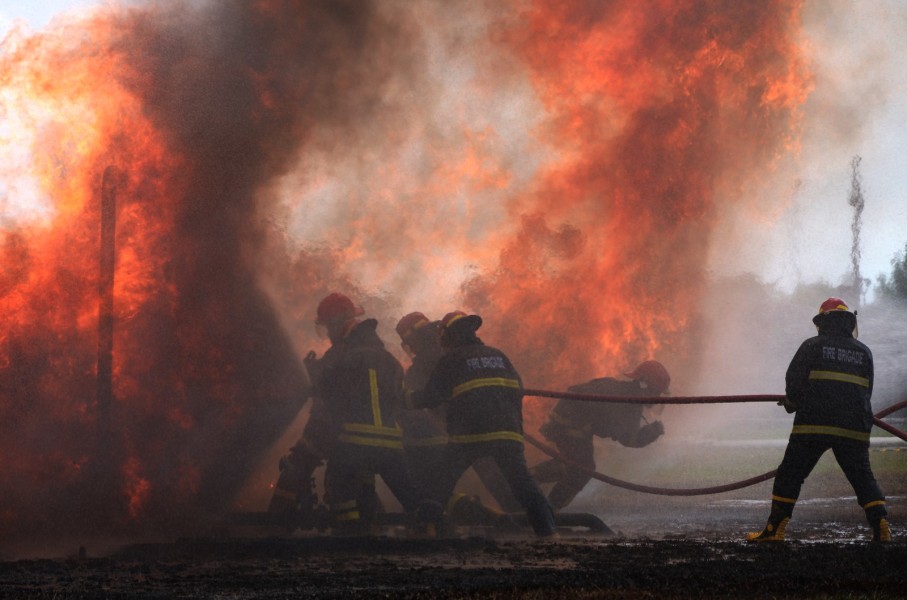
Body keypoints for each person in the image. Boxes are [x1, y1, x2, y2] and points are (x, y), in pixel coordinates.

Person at [747, 297, 890, 543]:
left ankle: (774, 530)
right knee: (862, 477)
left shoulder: (812, 346)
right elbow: (867, 392)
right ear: (848, 322)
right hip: (854, 428)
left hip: (814, 424)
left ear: (822, 322)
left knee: (790, 474)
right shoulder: (864, 352)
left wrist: (792, 402)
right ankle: (881, 527)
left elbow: (794, 380)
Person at [412, 311, 557, 538]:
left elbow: (430, 398)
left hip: (469, 437)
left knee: (439, 483)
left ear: (449, 337)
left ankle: (427, 531)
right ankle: (549, 534)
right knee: (523, 485)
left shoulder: (451, 360)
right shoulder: (498, 356)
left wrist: (405, 398)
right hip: (507, 434)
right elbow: (517, 390)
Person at [395, 312, 517, 528]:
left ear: (413, 340)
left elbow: (423, 402)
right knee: (500, 480)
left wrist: (401, 400)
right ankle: (523, 519)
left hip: (460, 433)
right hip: (489, 424)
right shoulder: (452, 350)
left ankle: (503, 518)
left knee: (435, 487)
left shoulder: (424, 366)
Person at [532, 360, 670, 510]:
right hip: (572, 424)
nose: (656, 397)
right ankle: (541, 502)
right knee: (581, 469)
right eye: (655, 392)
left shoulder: (625, 392)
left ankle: (544, 506)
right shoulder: (630, 401)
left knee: (579, 468)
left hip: (572, 422)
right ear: (644, 385)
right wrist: (653, 431)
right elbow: (630, 440)